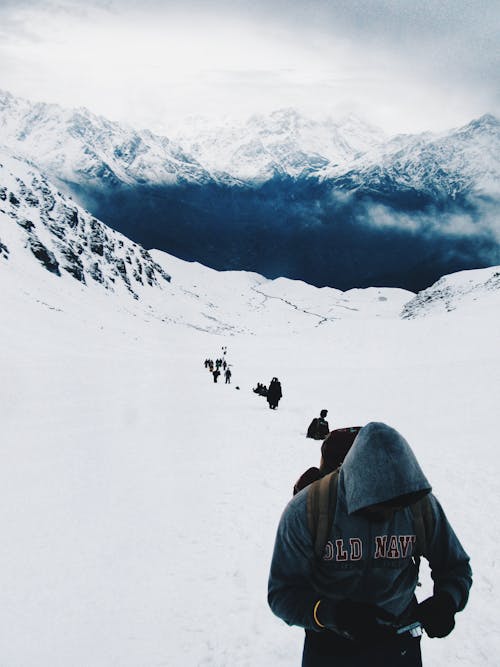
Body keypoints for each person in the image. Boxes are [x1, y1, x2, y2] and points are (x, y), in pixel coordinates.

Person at [268, 422, 472, 667]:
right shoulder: (307, 510)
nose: (392, 514)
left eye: (399, 506)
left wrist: (447, 601)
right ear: (355, 491)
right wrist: (332, 613)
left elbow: (455, 567)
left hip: (399, 646)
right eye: (382, 507)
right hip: (330, 650)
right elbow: (282, 593)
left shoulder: (419, 505)